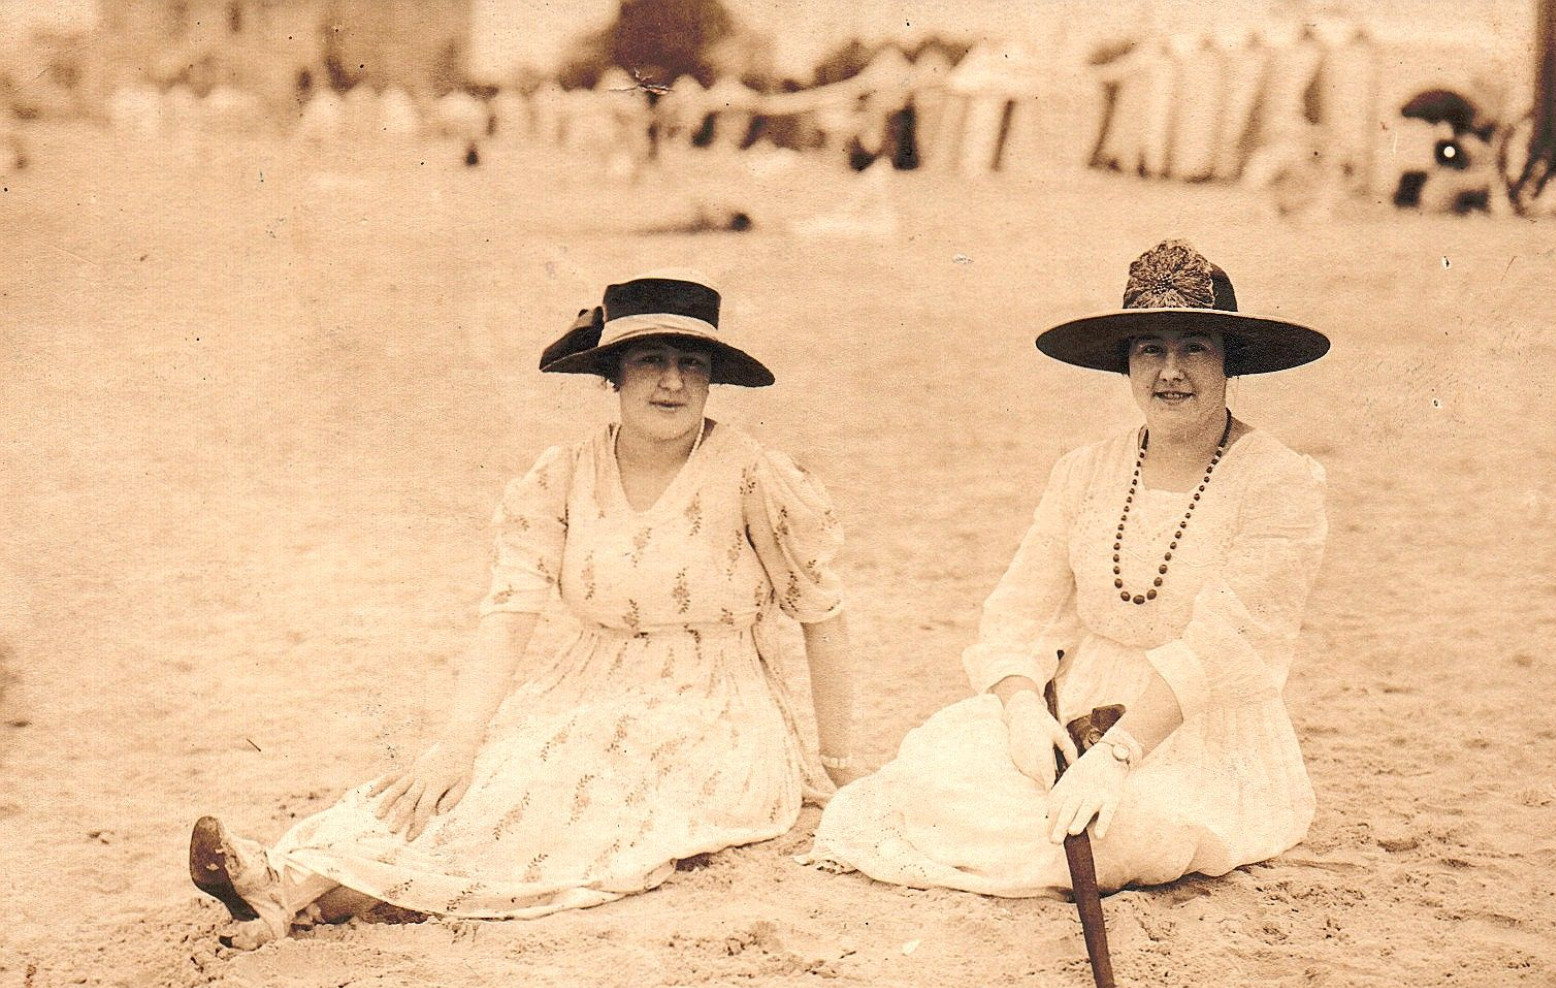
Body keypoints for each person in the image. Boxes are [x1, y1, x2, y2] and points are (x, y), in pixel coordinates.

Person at [192, 270, 857, 947]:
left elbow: (821, 617)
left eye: (692, 364)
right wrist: (455, 745)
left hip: (715, 707)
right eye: (649, 361)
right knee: (465, 778)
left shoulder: (751, 474)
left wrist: (836, 773)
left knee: (556, 787)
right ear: (612, 376)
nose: (672, 383)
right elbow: (509, 616)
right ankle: (287, 880)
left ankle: (294, 893)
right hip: (584, 684)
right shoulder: (561, 476)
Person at [808, 240, 1330, 895]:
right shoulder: (1084, 472)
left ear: (1231, 363)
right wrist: (1025, 709)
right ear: (1126, 366)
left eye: (1193, 347)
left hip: (1198, 729)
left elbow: (1227, 644)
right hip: (1076, 712)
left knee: (1127, 830)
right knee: (933, 769)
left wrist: (1117, 755)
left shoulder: (1278, 481)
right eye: (1149, 350)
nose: (1170, 371)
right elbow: (1017, 610)